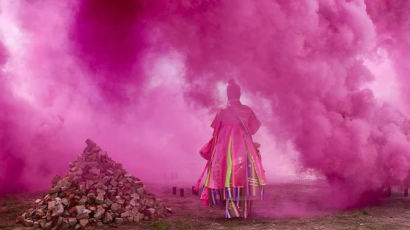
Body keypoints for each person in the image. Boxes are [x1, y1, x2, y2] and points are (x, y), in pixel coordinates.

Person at [200, 79, 266, 218]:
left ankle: (230, 210)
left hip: (224, 151)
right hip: (245, 149)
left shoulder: (222, 111)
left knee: (227, 177)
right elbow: (253, 129)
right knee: (246, 176)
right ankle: (244, 211)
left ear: (228, 95)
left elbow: (215, 130)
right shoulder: (247, 110)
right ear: (240, 94)